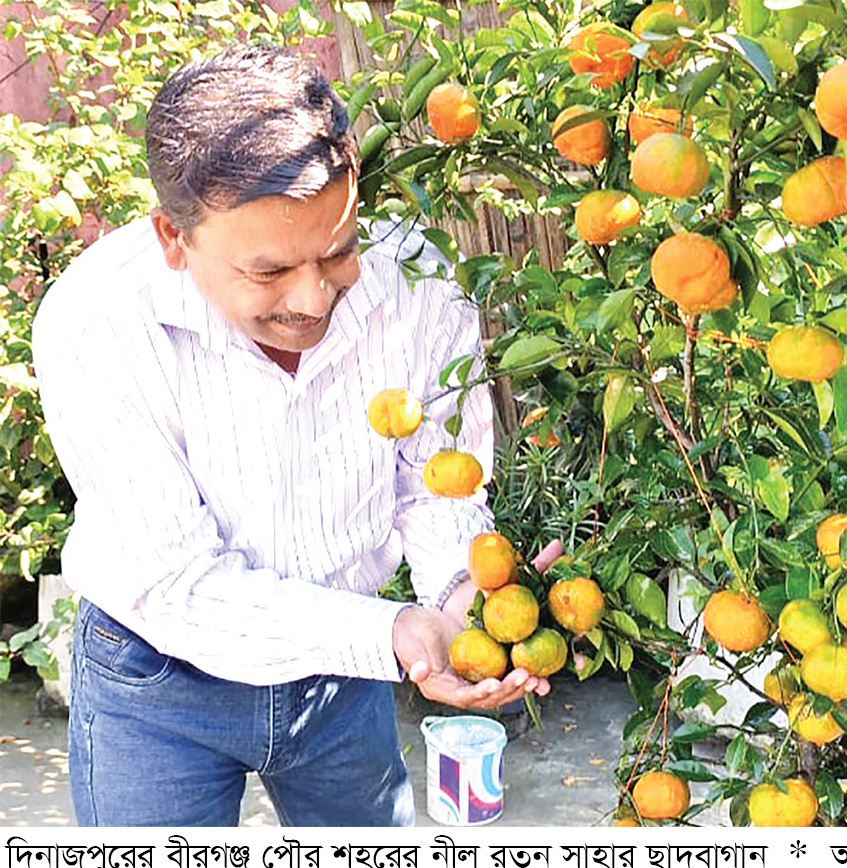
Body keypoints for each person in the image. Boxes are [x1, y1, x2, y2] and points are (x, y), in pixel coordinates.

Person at [31, 45, 550, 827]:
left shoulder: (417, 285)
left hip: (345, 683)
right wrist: (397, 631)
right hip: (155, 676)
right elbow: (177, 582)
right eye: (269, 271)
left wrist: (462, 598)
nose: (312, 298)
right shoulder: (97, 323)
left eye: (337, 251)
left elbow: (437, 483)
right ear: (175, 237)